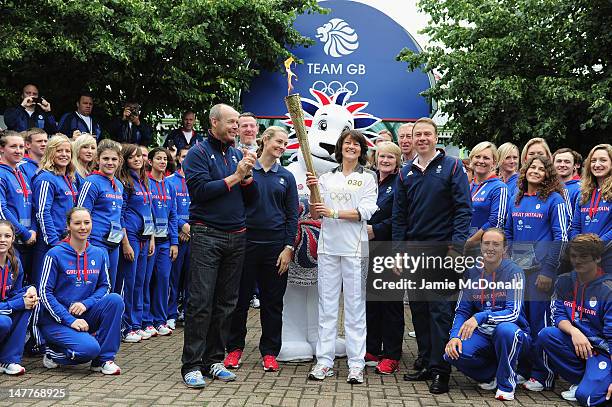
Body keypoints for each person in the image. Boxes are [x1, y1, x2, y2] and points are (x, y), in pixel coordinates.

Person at [180, 103, 258, 388]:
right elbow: (200, 192)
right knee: (201, 301)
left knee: (227, 303)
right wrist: (237, 177)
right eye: (231, 122)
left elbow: (251, 199)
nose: (237, 126)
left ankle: (214, 359)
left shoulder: (238, 153)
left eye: (238, 121)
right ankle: (192, 364)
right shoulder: (198, 153)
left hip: (237, 235)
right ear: (214, 122)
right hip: (207, 234)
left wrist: (248, 179)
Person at [393, 117, 472, 394]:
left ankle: (442, 371)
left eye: (427, 134)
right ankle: (426, 362)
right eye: (418, 135)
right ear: (412, 140)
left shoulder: (452, 167)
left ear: (436, 138)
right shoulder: (405, 173)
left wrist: (456, 247)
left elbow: (463, 210)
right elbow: (399, 216)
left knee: (440, 312)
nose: (422, 138)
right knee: (420, 310)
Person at [305, 130, 378, 384]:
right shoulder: (326, 178)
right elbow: (316, 213)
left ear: (361, 150)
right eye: (347, 143)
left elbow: (366, 210)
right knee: (327, 306)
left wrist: (334, 212)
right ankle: (323, 361)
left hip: (355, 249)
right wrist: (314, 191)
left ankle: (355, 364)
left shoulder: (368, 178)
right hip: (328, 248)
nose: (351, 147)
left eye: (356, 145)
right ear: (340, 147)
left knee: (355, 308)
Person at [224, 126, 298, 372]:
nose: (281, 146)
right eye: (278, 141)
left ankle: (269, 352)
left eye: (285, 143)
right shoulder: (246, 170)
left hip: (276, 248)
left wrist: (288, 248)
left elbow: (291, 217)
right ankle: (234, 349)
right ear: (264, 140)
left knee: (272, 303)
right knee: (239, 301)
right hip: (245, 244)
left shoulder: (286, 177)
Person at [505, 155, 569, 391]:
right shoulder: (517, 198)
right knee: (520, 321)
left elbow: (561, 238)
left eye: (541, 169)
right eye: (532, 167)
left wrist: (549, 270)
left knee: (540, 324)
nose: (536, 171)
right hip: (518, 272)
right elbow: (508, 233)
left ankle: (543, 374)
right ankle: (524, 369)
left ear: (547, 175)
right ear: (525, 171)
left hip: (540, 274)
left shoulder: (555, 200)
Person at [445, 228, 530, 401]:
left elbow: (513, 313)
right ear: (481, 246)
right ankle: (492, 375)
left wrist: (480, 317)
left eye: (496, 244)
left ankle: (507, 384)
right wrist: (454, 336)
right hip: (484, 333)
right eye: (486, 243)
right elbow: (462, 310)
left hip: (513, 332)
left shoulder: (514, 272)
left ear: (504, 249)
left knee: (505, 330)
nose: (490, 248)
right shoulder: (472, 271)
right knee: (452, 353)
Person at [38, 207, 124, 375]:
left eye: (87, 222)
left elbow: (105, 286)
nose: (83, 227)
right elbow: (44, 293)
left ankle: (103, 360)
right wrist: (70, 320)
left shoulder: (98, 253)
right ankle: (53, 353)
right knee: (89, 350)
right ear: (68, 226)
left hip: (85, 315)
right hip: (57, 320)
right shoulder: (54, 254)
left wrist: (86, 304)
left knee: (115, 300)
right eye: (77, 223)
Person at [537, 234, 612, 405]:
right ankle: (585, 381)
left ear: (598, 258)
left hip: (604, 352)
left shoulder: (607, 289)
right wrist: (574, 331)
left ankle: (597, 383)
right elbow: (558, 315)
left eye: (584, 256)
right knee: (547, 334)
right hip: (581, 345)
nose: (578, 261)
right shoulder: (564, 281)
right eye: (574, 256)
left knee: (588, 399)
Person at [364, 141, 404, 375]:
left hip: (390, 247)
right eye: (382, 156)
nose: (385, 160)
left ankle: (391, 354)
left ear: (397, 161)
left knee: (390, 304)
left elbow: (401, 218)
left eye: (390, 157)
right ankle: (372, 347)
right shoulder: (370, 181)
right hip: (369, 249)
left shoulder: (401, 183)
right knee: (372, 300)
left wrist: (376, 229)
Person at [117, 144, 155, 343]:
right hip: (130, 236)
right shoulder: (125, 182)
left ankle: (136, 323)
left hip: (145, 236)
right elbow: (121, 214)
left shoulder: (144, 181)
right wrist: (125, 243)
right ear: (126, 160)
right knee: (129, 283)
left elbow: (149, 212)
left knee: (141, 282)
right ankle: (126, 326)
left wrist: (151, 238)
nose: (137, 159)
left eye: (139, 156)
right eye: (132, 157)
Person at [77, 140, 124, 293]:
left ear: (119, 161)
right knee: (96, 286)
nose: (110, 163)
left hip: (114, 243)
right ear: (98, 160)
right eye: (106, 159)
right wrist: (85, 244)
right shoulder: (91, 182)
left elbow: (119, 215)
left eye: (114, 159)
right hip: (96, 242)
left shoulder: (119, 184)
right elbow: (81, 214)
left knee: (110, 284)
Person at [141, 148, 178, 337]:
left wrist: (174, 242)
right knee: (147, 280)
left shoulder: (170, 185)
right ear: (150, 161)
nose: (162, 162)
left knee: (164, 280)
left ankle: (160, 319)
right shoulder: (145, 182)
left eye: (165, 159)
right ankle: (146, 320)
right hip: (149, 240)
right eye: (159, 158)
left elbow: (173, 215)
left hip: (165, 242)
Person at [32, 135, 77, 286]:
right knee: (44, 287)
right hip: (50, 244)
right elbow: (42, 212)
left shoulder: (69, 179)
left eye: (68, 151)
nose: (64, 154)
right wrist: (53, 243)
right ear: (51, 152)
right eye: (59, 151)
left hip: (67, 242)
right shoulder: (46, 178)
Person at [0, 220, 38, 375]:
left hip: (3, 307)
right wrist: (14, 305)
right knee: (3, 322)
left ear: (13, 239)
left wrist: (30, 289)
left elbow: (14, 294)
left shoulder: (14, 262)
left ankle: (8, 360)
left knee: (29, 301)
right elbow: (13, 303)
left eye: (7, 236)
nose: (2, 239)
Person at [0, 131, 36, 280]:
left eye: (21, 146)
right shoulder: (1, 174)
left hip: (28, 241)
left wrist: (33, 230)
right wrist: (25, 233)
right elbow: (2, 210)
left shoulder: (22, 173)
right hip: (11, 242)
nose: (18, 150)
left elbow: (33, 206)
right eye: (13, 146)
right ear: (1, 149)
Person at [570, 144, 611, 271]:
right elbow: (575, 226)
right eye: (593, 161)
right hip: (584, 258)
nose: (597, 164)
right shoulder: (584, 193)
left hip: (608, 257)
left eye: (603, 160)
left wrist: (595, 246)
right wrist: (579, 246)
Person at [465, 142, 508, 249]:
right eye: (477, 157)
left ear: (494, 163)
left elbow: (496, 222)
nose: (481, 161)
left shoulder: (499, 188)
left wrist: (469, 243)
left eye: (486, 158)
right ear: (472, 159)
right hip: (462, 245)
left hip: (484, 249)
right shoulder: (468, 185)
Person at [166, 146, 191, 329]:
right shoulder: (169, 181)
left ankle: (188, 311)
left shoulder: (199, 179)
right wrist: (182, 226)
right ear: (179, 159)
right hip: (177, 236)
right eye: (183, 156)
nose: (187, 159)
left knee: (192, 279)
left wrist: (191, 229)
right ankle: (171, 313)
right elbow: (168, 210)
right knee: (174, 278)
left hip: (195, 236)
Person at [553, 148, 582, 220]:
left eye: (567, 162)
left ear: (575, 166)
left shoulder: (581, 188)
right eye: (559, 161)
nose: (562, 165)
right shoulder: (547, 188)